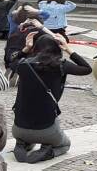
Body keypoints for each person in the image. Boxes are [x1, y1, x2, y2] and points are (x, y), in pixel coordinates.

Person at [11, 31, 92, 163]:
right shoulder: (60, 65)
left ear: (35, 48)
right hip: (46, 129)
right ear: (57, 48)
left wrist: (26, 49)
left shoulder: (23, 64)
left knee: (27, 135)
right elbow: (86, 68)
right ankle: (48, 151)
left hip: (18, 128)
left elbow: (11, 62)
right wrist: (68, 49)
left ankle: (22, 144)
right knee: (65, 144)